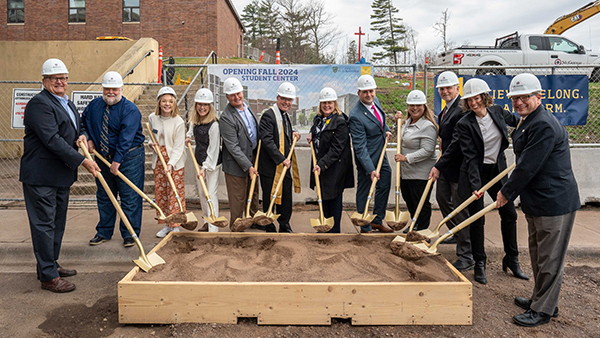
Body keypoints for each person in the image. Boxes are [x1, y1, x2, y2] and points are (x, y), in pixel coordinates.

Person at [497, 73, 580, 327]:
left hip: (554, 202)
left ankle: (544, 310)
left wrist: (506, 193)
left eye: (525, 97)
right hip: (538, 201)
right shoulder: (528, 120)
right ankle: (540, 298)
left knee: (549, 259)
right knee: (538, 254)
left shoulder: (543, 124)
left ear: (538, 97)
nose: (519, 102)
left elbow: (528, 167)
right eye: (515, 98)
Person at [20, 58, 100, 293]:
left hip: (61, 175)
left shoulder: (66, 102)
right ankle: (48, 277)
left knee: (57, 223)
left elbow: (75, 128)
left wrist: (83, 136)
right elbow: (52, 140)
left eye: (63, 78)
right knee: (44, 224)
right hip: (41, 175)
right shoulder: (39, 104)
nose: (60, 82)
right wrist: (83, 161)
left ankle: (50, 265)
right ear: (44, 81)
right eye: (55, 78)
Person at [452, 78, 526, 284]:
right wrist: (476, 187)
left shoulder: (498, 112)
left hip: (498, 171)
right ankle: (480, 262)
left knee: (509, 213)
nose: (474, 103)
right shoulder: (464, 124)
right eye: (469, 100)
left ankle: (512, 258)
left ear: (484, 97)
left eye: (476, 98)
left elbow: (518, 120)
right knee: (478, 218)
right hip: (475, 174)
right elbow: (471, 158)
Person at [82, 71, 146, 247]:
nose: (111, 92)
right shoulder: (94, 106)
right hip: (102, 156)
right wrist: (87, 137)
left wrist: (117, 162)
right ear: (102, 88)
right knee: (104, 196)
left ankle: (130, 234)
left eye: (114, 89)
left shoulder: (130, 110)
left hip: (129, 157)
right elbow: (83, 122)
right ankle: (104, 232)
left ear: (121, 89)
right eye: (107, 88)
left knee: (130, 197)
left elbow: (126, 138)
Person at [429, 71, 475, 271]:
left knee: (459, 208)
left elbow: (456, 144)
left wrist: (438, 165)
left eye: (449, 88)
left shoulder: (461, 110)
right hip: (447, 166)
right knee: (442, 199)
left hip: (458, 168)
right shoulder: (445, 110)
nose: (445, 91)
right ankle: (456, 232)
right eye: (442, 88)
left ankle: (467, 254)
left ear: (457, 88)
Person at [349, 74, 393, 233]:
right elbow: (359, 147)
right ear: (359, 93)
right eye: (365, 92)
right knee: (365, 190)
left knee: (385, 182)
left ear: (375, 90)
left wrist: (386, 131)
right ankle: (364, 225)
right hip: (366, 158)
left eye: (371, 91)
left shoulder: (376, 102)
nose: (369, 95)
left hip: (381, 155)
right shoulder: (356, 116)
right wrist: (370, 169)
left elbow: (381, 122)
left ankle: (377, 219)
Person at [307, 87, 354, 233]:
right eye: (324, 103)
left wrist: (321, 164)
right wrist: (311, 134)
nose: (327, 105)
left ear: (335, 103)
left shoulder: (340, 122)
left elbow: (337, 149)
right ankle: (324, 226)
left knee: (333, 199)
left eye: (330, 103)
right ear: (320, 104)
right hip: (321, 166)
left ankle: (334, 231)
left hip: (334, 168)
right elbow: (318, 133)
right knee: (323, 196)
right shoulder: (319, 120)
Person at [258, 82, 302, 233]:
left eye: (289, 100)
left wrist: (293, 134)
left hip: (284, 165)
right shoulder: (268, 115)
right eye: (283, 98)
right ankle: (269, 225)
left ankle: (284, 224)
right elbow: (267, 141)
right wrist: (281, 159)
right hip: (271, 166)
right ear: (277, 98)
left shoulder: (285, 116)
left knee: (286, 197)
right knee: (270, 196)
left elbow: (284, 136)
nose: (286, 102)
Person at [219, 77, 260, 229]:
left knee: (253, 193)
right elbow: (233, 147)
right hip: (236, 165)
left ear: (242, 92)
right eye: (232, 95)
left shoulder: (248, 108)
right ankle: (236, 229)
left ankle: (253, 222)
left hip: (252, 158)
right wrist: (248, 166)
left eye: (238, 93)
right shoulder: (226, 117)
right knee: (238, 198)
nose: (236, 97)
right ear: (227, 97)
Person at [394, 90, 438, 232]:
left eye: (418, 105)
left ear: (424, 106)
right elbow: (401, 139)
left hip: (421, 173)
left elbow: (428, 150)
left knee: (421, 203)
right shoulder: (407, 123)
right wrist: (397, 123)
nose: (414, 108)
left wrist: (406, 158)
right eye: (412, 105)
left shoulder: (428, 126)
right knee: (410, 201)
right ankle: (414, 225)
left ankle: (422, 230)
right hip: (406, 172)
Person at [148, 86, 187, 238]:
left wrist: (171, 164)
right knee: (162, 193)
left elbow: (178, 147)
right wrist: (151, 143)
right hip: (159, 160)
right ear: (159, 102)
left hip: (174, 162)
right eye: (164, 101)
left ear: (174, 103)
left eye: (170, 101)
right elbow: (152, 136)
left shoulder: (178, 122)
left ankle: (175, 225)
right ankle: (166, 224)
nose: (167, 104)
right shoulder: (153, 118)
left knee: (174, 193)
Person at [186, 88, 221, 233]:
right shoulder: (195, 120)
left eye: (205, 105)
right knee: (201, 193)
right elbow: (190, 129)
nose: (202, 107)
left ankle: (214, 227)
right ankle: (207, 221)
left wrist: (204, 168)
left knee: (210, 193)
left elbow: (213, 149)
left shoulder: (214, 125)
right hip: (199, 160)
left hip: (212, 163)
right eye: (199, 104)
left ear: (210, 106)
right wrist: (188, 136)